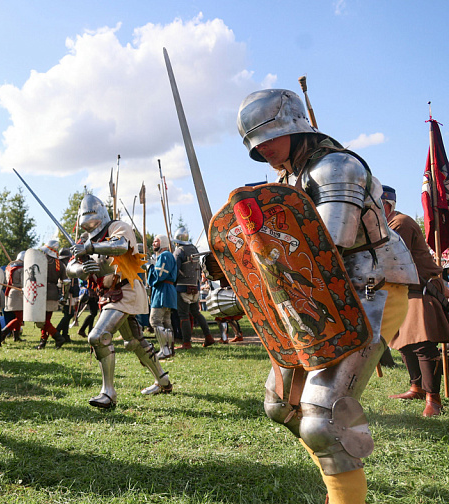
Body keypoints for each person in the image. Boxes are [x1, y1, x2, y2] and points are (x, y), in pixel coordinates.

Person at [230, 89, 417, 503]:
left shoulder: (336, 167)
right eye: (255, 146)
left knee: (321, 418)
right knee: (283, 404)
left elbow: (330, 242)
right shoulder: (288, 179)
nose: (263, 151)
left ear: (293, 128)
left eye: (267, 139)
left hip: (371, 285)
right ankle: (338, 474)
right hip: (318, 292)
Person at [67, 194, 172, 409]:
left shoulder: (118, 227)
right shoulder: (83, 240)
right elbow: (70, 266)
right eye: (86, 220)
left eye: (93, 219)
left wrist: (90, 249)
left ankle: (108, 393)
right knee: (134, 341)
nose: (90, 224)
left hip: (127, 290)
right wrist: (82, 269)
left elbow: (120, 246)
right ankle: (163, 380)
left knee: (98, 336)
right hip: (109, 295)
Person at [382, 185, 448, 417]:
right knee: (404, 343)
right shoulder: (384, 225)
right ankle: (417, 388)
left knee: (422, 344)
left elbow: (388, 259)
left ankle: (434, 399)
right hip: (403, 291)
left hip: (420, 290)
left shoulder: (398, 223)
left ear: (386, 204)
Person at [171, 227, 212, 349]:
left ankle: (186, 343)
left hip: (183, 288)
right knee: (196, 313)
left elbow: (175, 270)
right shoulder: (193, 248)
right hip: (195, 287)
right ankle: (208, 336)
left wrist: (174, 282)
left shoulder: (179, 251)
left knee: (183, 315)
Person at [36, 240, 69, 349]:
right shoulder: (60, 264)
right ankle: (42, 342)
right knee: (46, 320)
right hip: (53, 292)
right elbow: (66, 282)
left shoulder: (41, 260)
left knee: (42, 321)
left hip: (41, 292)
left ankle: (58, 338)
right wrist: (64, 296)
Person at [148, 234, 177, 359]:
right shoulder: (167, 256)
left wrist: (149, 267)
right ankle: (169, 349)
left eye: (156, 241)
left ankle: (164, 350)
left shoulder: (165, 255)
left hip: (162, 291)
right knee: (166, 321)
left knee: (155, 320)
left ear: (163, 243)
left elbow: (159, 274)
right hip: (167, 290)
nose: (154, 243)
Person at [0, 250, 26, 343]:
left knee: (17, 316)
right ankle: (3, 332)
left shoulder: (8, 267)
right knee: (19, 318)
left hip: (10, 292)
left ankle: (16, 337)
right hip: (18, 293)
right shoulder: (22, 268)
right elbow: (24, 283)